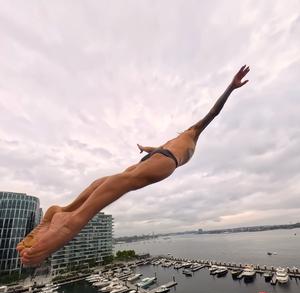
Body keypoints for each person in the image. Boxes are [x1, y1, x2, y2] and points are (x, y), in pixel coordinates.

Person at [17, 65, 250, 266]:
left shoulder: (194, 133)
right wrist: (146, 148)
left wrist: (230, 87)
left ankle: (67, 217)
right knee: (109, 183)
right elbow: (159, 149)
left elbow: (213, 112)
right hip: (159, 159)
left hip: (161, 159)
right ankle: (66, 218)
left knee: (116, 182)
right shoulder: (177, 141)